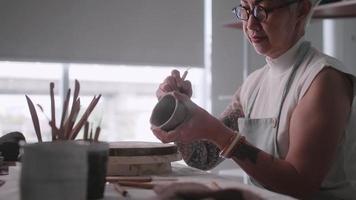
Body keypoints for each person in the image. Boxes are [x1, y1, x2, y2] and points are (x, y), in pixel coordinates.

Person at [151, 0, 356, 199]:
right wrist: (180, 112)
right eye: (246, 9)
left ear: (301, 10)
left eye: (261, 10)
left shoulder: (323, 79)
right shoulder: (253, 84)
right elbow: (203, 156)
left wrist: (218, 133)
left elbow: (300, 186)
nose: (250, 24)